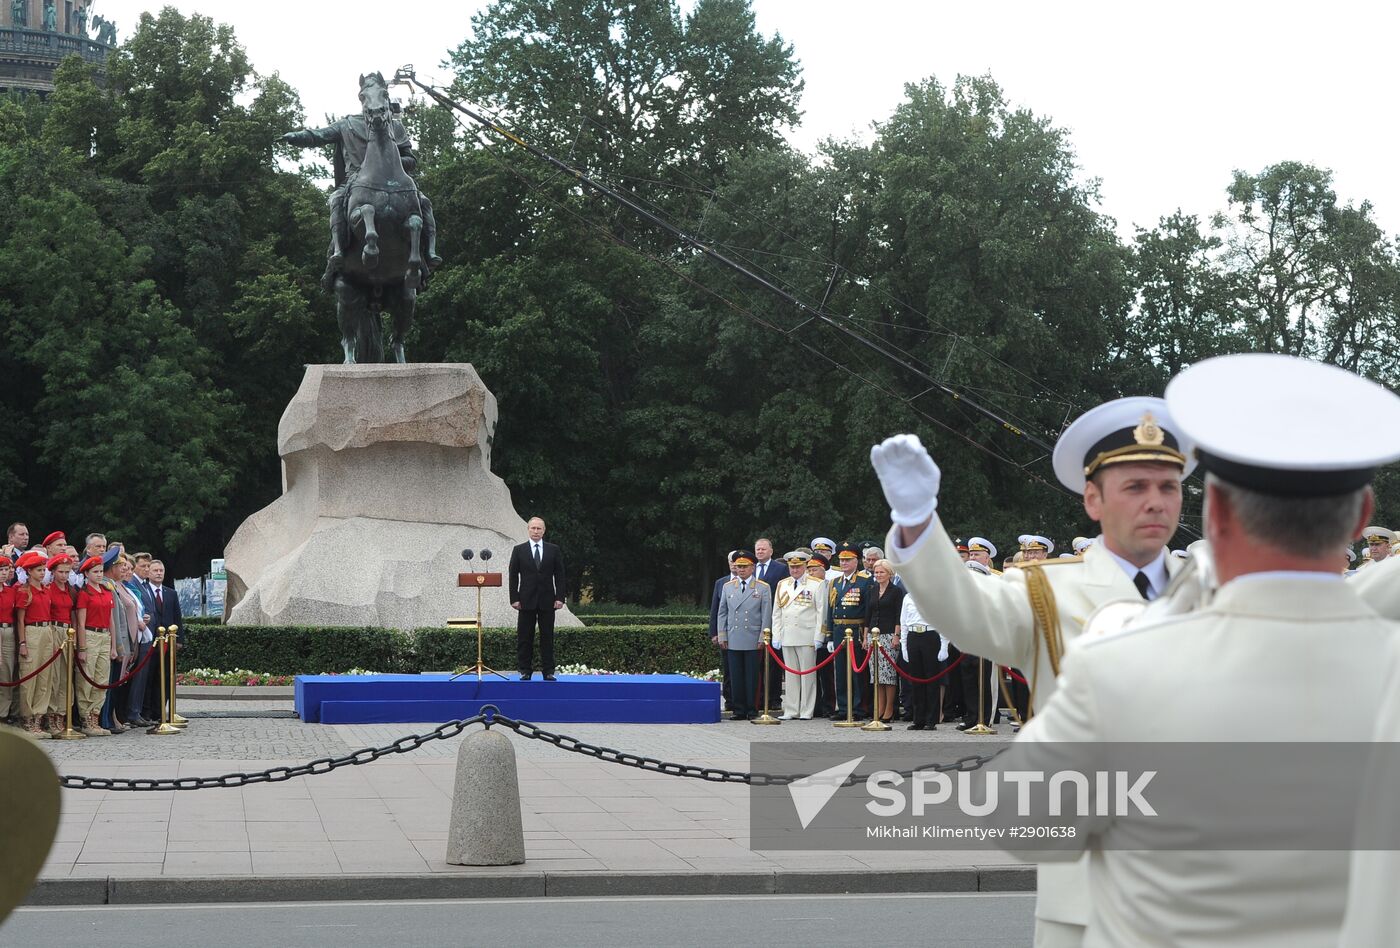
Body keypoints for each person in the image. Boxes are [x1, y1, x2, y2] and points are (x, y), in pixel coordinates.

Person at [988, 352, 1400, 947]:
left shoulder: (1119, 668)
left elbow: (1024, 828)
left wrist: (1109, 654)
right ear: (1362, 516)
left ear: (1216, 511)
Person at [870, 394, 1195, 948]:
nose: (1156, 503)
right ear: (1093, 499)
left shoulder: (1211, 588)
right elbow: (965, 612)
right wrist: (918, 524)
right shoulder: (1046, 587)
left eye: (1168, 487)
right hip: (1092, 889)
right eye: (1135, 487)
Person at [280, 73, 441, 289]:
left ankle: (426, 254)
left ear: (385, 97)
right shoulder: (347, 125)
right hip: (356, 180)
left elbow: (411, 160)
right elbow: (317, 135)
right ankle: (336, 254)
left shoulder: (396, 127)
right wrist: (295, 136)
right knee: (337, 200)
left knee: (424, 202)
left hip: (395, 181)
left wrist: (391, 159)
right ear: (362, 99)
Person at [715, 550, 772, 720]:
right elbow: (722, 612)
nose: (741, 569)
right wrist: (722, 635)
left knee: (752, 676)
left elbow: (766, 614)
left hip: (753, 637)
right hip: (733, 637)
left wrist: (763, 636)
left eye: (744, 566)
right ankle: (739, 709)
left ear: (752, 567)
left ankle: (752, 709)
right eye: (738, 566)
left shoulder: (762, 587)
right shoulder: (727, 587)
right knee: (735, 675)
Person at [508, 517, 566, 681]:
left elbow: (560, 575)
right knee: (525, 637)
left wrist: (560, 597)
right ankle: (525, 670)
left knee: (547, 637)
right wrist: (514, 598)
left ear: (544, 530)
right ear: (528, 529)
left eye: (539, 528)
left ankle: (548, 671)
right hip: (525, 601)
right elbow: (513, 576)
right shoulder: (519, 550)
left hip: (548, 601)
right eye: (533, 528)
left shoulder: (553, 550)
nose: (535, 531)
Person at [824, 543, 875, 720]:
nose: (844, 563)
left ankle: (858, 708)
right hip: (839, 630)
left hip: (856, 630)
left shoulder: (864, 581)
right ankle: (844, 707)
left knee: (857, 671)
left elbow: (868, 609)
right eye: (842, 560)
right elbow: (830, 610)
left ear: (856, 561)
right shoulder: (835, 582)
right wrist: (829, 635)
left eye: (848, 560)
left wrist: (866, 634)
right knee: (841, 672)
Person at [770, 551, 823, 720]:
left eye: (798, 566)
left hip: (807, 634)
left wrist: (819, 636)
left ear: (805, 566)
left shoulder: (816, 584)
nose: (795, 570)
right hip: (787, 635)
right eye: (792, 567)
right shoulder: (782, 584)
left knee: (807, 675)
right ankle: (791, 710)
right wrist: (776, 635)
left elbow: (821, 612)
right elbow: (776, 612)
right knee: (791, 675)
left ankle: (806, 710)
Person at [13, 550, 57, 737]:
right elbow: (20, 620)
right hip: (31, 631)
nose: (42, 573)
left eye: (43, 569)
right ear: (29, 572)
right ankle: (27, 718)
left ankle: (39, 716)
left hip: (47, 630)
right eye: (38, 570)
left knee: (44, 678)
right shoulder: (24, 592)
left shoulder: (46, 590)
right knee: (29, 677)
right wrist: (22, 642)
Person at [72, 556, 113, 737]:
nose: (99, 575)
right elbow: (80, 623)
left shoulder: (106, 591)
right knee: (86, 679)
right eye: (95, 572)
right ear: (86, 574)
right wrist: (81, 647)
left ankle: (96, 715)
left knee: (101, 679)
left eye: (101, 571)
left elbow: (110, 619)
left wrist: (113, 645)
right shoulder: (84, 594)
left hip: (104, 635)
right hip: (89, 634)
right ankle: (86, 718)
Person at [864, 559, 905, 724]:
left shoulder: (896, 591)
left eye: (881, 572)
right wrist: (865, 636)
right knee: (876, 675)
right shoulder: (872, 590)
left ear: (889, 573)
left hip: (889, 635)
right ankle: (879, 708)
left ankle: (889, 709)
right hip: (873, 636)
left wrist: (897, 635)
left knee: (888, 674)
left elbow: (898, 614)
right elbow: (868, 614)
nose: (878, 575)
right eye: (876, 572)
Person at [141, 558, 182, 722]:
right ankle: (147, 711)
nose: (158, 573)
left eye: (161, 571)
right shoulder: (144, 591)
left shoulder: (170, 593)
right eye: (155, 570)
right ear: (149, 573)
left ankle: (161, 711)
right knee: (149, 677)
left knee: (166, 677)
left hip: (168, 643)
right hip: (150, 641)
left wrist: (179, 640)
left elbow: (177, 618)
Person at [44, 554, 77, 733]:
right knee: (54, 676)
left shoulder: (71, 590)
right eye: (61, 572)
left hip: (68, 632)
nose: (64, 575)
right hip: (54, 629)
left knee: (66, 676)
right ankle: (51, 716)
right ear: (54, 572)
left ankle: (63, 716)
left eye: (67, 572)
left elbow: (73, 613)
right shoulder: (48, 589)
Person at [0, 555, 17, 724]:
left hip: (8, 630)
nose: (4, 573)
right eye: (1, 570)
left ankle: (3, 714)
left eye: (6, 570)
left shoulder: (10, 591)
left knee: (7, 673)